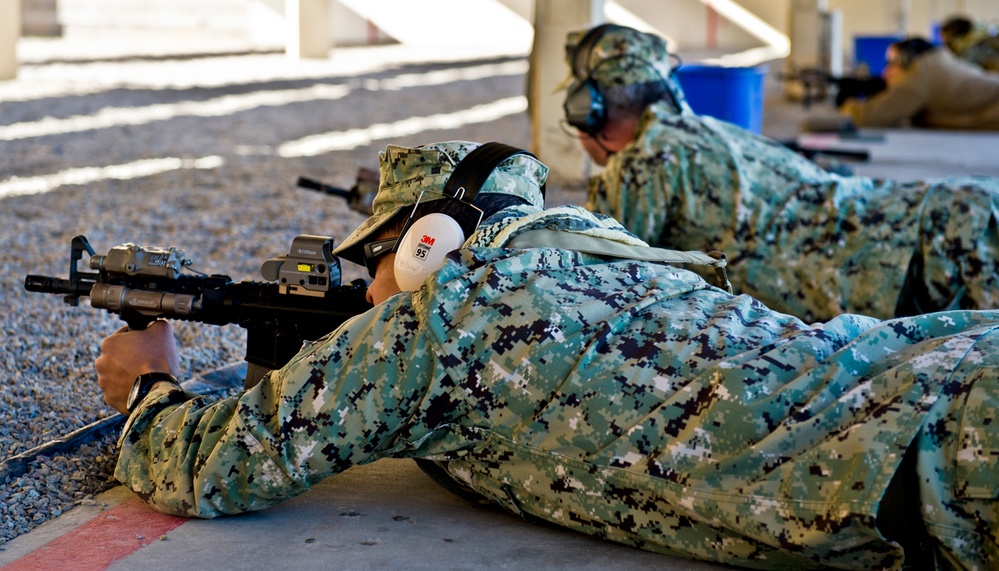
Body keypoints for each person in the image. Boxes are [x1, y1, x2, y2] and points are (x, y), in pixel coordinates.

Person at [95, 140, 998, 570]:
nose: (370, 284)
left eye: (376, 257)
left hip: (934, 449)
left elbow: (216, 467)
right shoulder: (613, 255)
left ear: (428, 243)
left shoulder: (446, 319)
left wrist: (151, 383)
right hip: (940, 363)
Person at [559, 23, 999, 323]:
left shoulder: (640, 163)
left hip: (931, 263)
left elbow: (588, 286)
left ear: (588, 111)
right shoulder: (711, 128)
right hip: (952, 212)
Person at [838, 36, 999, 130]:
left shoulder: (920, 73)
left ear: (907, 59)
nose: (887, 71)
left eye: (891, 62)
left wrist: (844, 102)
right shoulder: (936, 63)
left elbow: (870, 119)